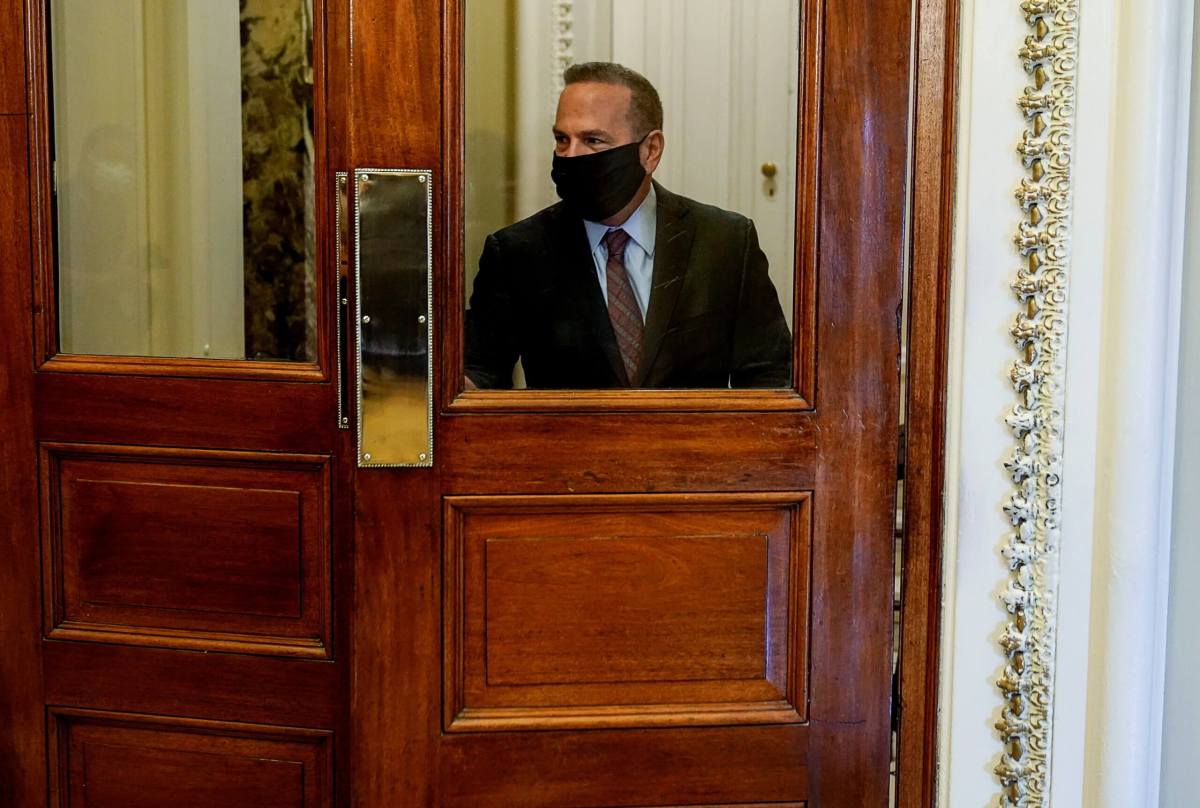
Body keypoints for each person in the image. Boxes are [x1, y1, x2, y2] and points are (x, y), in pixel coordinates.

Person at [464, 61, 792, 389]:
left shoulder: (726, 242)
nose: (570, 156)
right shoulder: (517, 253)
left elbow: (770, 375)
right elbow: (481, 375)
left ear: (650, 151)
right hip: (569, 440)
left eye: (593, 140)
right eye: (562, 139)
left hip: (693, 440)